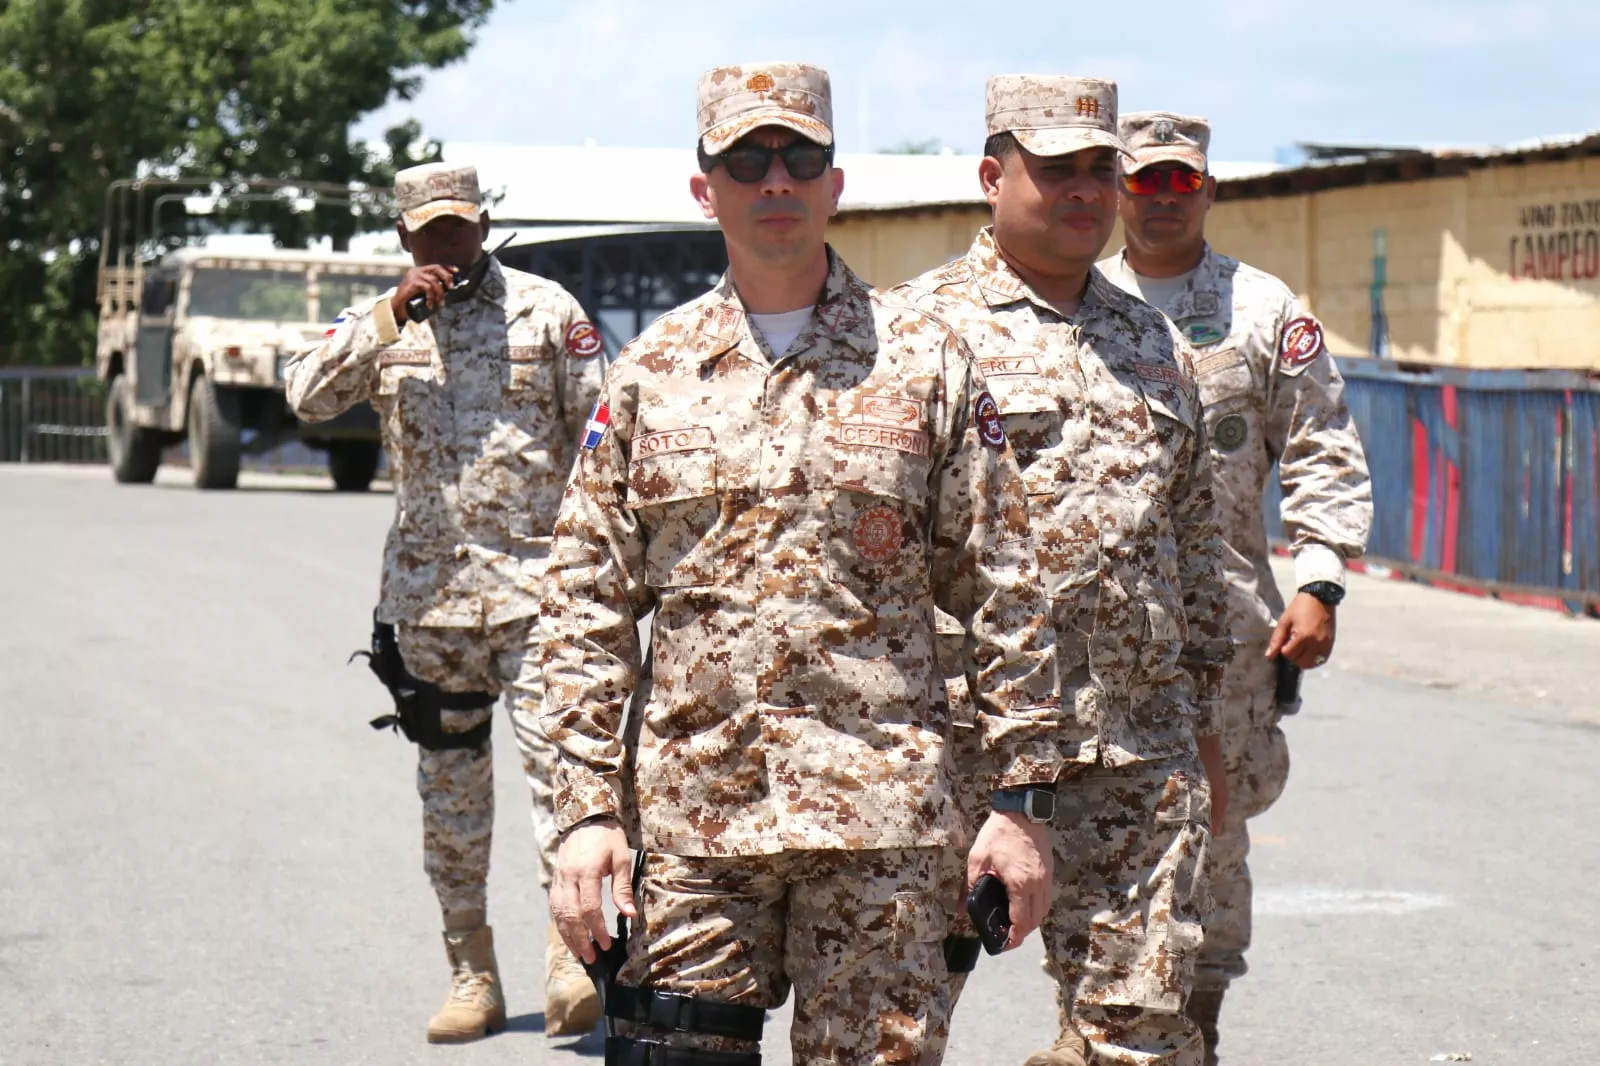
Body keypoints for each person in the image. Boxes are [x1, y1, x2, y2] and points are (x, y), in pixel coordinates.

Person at [525, 62, 1064, 1066]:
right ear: (705, 189)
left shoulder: (927, 361)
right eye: (746, 160)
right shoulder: (650, 373)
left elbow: (1006, 584)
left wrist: (1021, 805)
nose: (775, 181)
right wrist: (585, 813)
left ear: (834, 181)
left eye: (799, 157)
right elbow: (584, 602)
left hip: (886, 830)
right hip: (695, 822)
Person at [894, 76, 1234, 1066]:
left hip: (1139, 744)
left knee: (1138, 1030)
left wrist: (1203, 716)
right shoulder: (913, 333)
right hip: (955, 740)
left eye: (1101, 170)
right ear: (993, 176)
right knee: (895, 1019)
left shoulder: (1148, 338)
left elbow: (1192, 533)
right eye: (1056, 170)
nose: (1086, 190)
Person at [285, 162, 606, 1043]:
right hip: (432, 606)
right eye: (431, 233)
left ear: (484, 222)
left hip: (544, 597)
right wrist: (389, 317)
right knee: (451, 799)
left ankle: (571, 956)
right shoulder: (382, 322)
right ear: (404, 239)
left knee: (566, 781)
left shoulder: (549, 312)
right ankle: (472, 974)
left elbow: (605, 437)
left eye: (460, 228)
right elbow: (305, 395)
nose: (449, 246)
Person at [1098, 112, 1373, 1065]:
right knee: (1094, 840)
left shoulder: (1262, 310)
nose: (1163, 200)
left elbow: (1323, 448)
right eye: (1145, 183)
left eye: (1182, 183)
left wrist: (1322, 581)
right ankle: (1100, 1030)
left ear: (1208, 190)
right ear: (1115, 189)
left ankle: (1197, 1038)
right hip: (1090, 637)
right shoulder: (1070, 302)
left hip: (1225, 633)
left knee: (1214, 842)